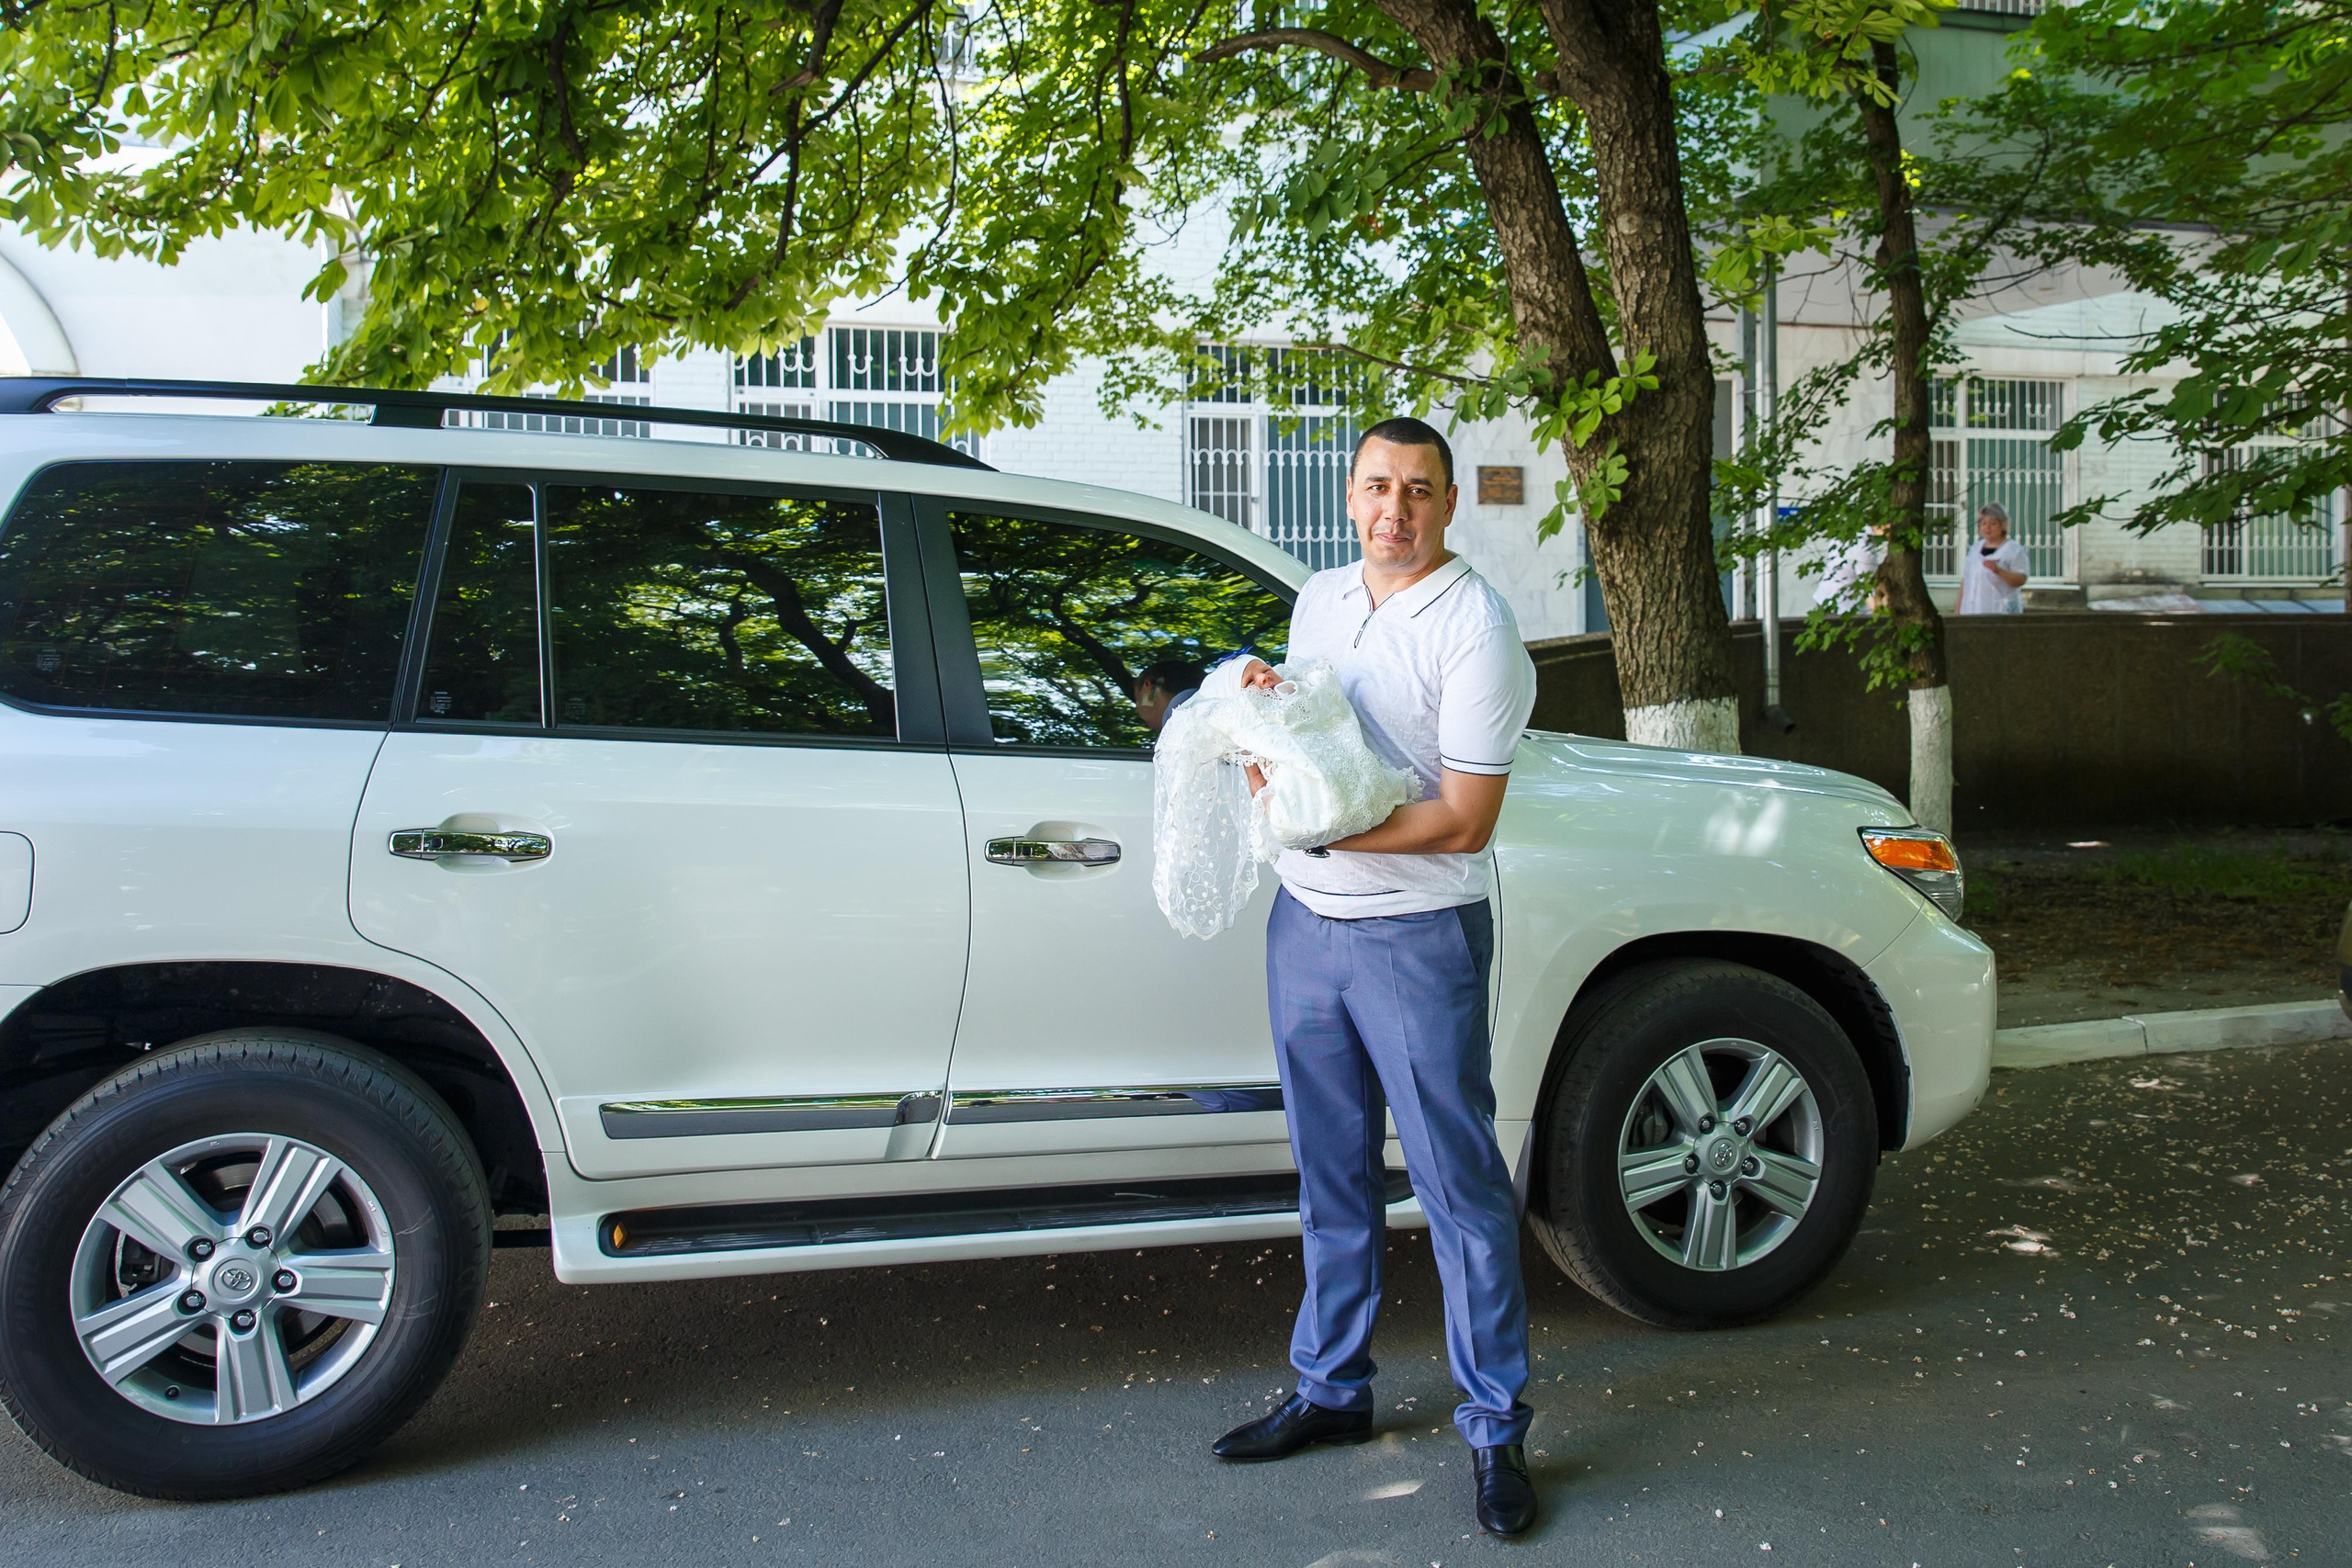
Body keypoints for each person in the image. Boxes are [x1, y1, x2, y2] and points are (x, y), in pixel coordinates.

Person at [1210, 416, 1542, 1539]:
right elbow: (1311, 743)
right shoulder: (1321, 599)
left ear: (1448, 503)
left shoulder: (1476, 629)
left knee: (1458, 1188)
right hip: (1305, 926)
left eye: (1417, 489)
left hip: (1415, 936)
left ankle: (1494, 1429)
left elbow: (1464, 819)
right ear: (1349, 496)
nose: (1393, 509)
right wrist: (1263, 725)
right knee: (1331, 1176)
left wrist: (1325, 832)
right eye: (1375, 486)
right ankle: (1331, 1389)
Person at [1957, 502, 2030, 614]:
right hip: (1969, 612)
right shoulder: (1975, 548)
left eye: (1993, 523)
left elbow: (2021, 579)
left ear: (2002, 525)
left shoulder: (2014, 550)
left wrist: (1999, 571)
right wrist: (1958, 610)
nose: (1987, 528)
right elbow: (1966, 580)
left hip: (1999, 613)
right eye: (1983, 523)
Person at [1133, 659, 1207, 734]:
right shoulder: (1208, 715)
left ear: (1148, 687)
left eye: (1137, 699)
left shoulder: (1176, 734)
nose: (1137, 709)